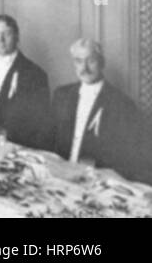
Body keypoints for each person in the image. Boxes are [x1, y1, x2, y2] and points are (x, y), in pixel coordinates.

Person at [51, 38, 150, 183]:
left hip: (96, 181)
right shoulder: (61, 95)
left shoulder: (121, 104)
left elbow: (127, 159)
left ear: (102, 62)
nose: (84, 68)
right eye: (79, 61)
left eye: (91, 61)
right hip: (60, 176)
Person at [0, 14, 51, 149]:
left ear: (17, 36)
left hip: (11, 148)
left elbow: (39, 126)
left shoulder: (34, 75)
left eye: (6, 34)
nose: (1, 39)